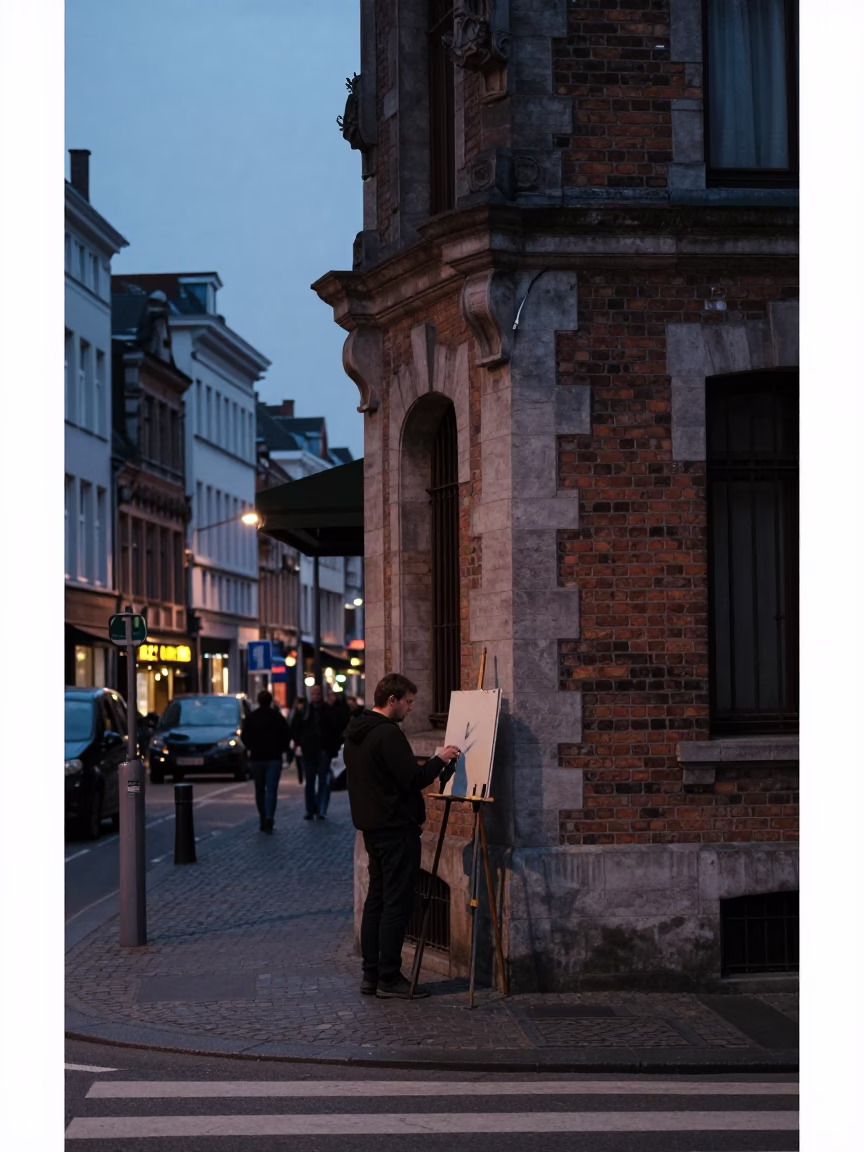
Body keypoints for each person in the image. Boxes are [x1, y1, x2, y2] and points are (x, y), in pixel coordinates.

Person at [343, 673, 460, 1000]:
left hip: (372, 829)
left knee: (376, 900)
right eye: (407, 702)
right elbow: (413, 779)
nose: (411, 708)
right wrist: (441, 758)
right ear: (391, 700)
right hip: (396, 830)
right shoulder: (387, 735)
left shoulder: (356, 734)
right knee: (395, 902)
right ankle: (389, 976)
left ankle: (371, 975)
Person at [241, 690, 293, 834]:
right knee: (271, 790)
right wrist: (281, 749)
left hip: (257, 758)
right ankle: (269, 816)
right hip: (273, 758)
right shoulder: (277, 717)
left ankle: (263, 816)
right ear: (271, 701)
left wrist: (252, 747)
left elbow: (244, 737)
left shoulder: (251, 718)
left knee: (259, 790)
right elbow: (287, 735)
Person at [291, 683, 342, 820]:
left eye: (317, 693)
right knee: (310, 781)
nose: (316, 696)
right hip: (309, 749)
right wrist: (300, 741)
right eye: (313, 694)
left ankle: (320, 809)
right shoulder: (305, 711)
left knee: (322, 781)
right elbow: (295, 727)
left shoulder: (327, 710)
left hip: (323, 749)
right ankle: (311, 809)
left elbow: (336, 727)